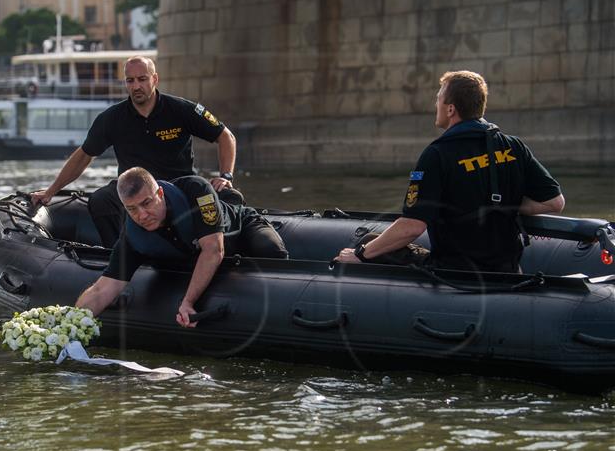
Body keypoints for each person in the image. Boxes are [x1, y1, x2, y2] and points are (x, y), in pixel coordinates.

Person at [335, 70, 565, 273]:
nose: (435, 105)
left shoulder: (437, 154)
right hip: (508, 269)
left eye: (438, 99)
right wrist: (506, 203)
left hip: (454, 271)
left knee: (369, 242)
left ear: (451, 109)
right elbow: (555, 202)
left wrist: (361, 254)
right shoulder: (513, 146)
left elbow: (412, 226)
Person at [31, 56, 242, 247]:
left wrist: (226, 176)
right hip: (132, 188)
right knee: (100, 200)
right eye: (130, 81)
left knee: (216, 198)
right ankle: (117, 255)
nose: (136, 86)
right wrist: (50, 192)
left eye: (142, 79)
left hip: (178, 186)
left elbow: (225, 137)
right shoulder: (112, 118)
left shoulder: (181, 110)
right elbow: (85, 155)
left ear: (155, 79)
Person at [75, 167, 288, 328]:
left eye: (147, 203)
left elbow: (214, 250)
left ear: (160, 194)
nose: (142, 215)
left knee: (271, 250)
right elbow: (101, 290)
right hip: (191, 254)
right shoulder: (133, 236)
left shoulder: (196, 191)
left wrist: (188, 301)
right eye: (132, 209)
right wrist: (70, 324)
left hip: (240, 230)